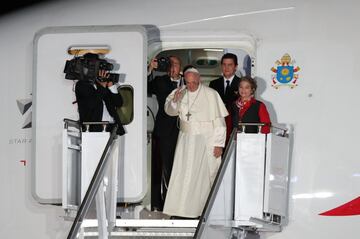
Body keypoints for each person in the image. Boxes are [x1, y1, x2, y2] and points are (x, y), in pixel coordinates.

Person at [163, 67, 228, 218]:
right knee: (183, 173)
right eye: (188, 82)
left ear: (199, 79)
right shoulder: (180, 92)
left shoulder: (211, 94)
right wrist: (175, 101)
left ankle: (205, 210)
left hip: (206, 138)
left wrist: (219, 144)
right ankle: (181, 210)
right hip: (185, 139)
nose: (191, 85)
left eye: (194, 82)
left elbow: (220, 122)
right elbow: (170, 111)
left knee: (205, 175)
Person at [147, 56, 182, 211]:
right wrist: (150, 69)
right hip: (164, 130)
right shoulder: (160, 81)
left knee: (181, 167)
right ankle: (160, 203)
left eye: (176, 64)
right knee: (163, 167)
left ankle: (179, 202)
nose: (173, 67)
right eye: (170, 64)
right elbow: (145, 87)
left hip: (185, 131)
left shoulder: (188, 81)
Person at [75, 53, 125, 136]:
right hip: (94, 130)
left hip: (111, 128)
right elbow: (91, 104)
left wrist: (112, 87)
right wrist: (102, 86)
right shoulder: (81, 85)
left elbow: (119, 103)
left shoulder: (102, 84)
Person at [209, 53, 241, 141]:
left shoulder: (242, 83)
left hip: (235, 125)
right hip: (217, 125)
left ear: (236, 67)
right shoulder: (213, 84)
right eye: (224, 64)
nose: (226, 68)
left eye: (230, 65)